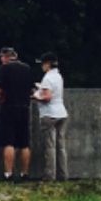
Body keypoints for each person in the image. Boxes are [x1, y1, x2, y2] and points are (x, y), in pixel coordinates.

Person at [0, 46, 35, 181]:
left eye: (1, 57)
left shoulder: (4, 68)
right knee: (24, 143)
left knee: (8, 142)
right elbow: (32, 89)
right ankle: (24, 173)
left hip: (9, 107)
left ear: (6, 57)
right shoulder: (27, 68)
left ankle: (8, 173)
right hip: (24, 108)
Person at [35, 51, 69, 181]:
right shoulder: (58, 76)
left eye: (43, 64)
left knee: (50, 146)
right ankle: (63, 174)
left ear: (48, 64)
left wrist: (36, 96)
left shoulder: (47, 78)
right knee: (61, 146)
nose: (42, 66)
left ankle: (50, 175)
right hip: (61, 112)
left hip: (49, 113)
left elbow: (47, 97)